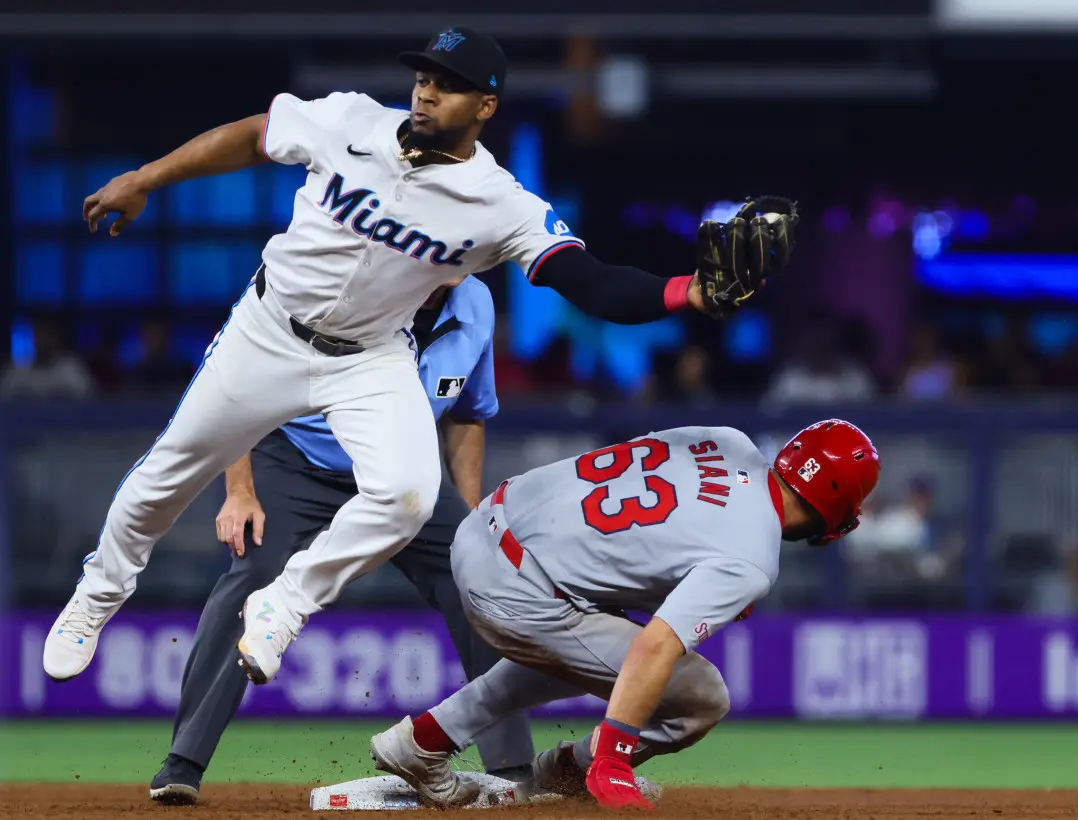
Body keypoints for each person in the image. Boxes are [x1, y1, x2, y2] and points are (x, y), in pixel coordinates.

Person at [44, 25, 776, 687]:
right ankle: (97, 594)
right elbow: (248, 134)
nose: (427, 89)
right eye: (424, 75)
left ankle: (287, 604)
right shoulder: (351, 120)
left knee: (407, 496)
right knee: (162, 482)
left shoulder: (498, 201)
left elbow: (588, 281)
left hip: (368, 356)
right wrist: (145, 179)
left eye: (449, 82)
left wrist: (692, 295)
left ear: (486, 105)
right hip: (267, 331)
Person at [147, 278, 532, 805]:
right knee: (254, 575)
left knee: (477, 576)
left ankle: (513, 768)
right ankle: (183, 762)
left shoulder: (476, 304)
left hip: (403, 470)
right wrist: (238, 489)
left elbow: (467, 414)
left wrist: (468, 520)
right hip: (297, 456)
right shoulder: (350, 273)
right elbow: (233, 376)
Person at [368, 420, 880, 808]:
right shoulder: (752, 558)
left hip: (488, 526)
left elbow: (646, 532)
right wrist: (615, 754)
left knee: (578, 644)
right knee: (702, 697)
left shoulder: (727, 439)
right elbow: (654, 646)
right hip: (516, 590)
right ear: (839, 506)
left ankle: (423, 742)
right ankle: (576, 769)